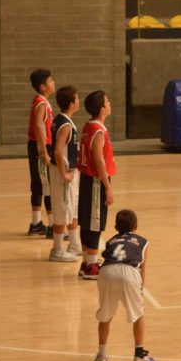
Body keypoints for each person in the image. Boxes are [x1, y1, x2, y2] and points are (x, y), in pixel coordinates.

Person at [92, 209, 153, 361]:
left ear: (116, 227)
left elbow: (107, 256)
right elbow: (143, 268)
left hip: (106, 272)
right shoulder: (143, 241)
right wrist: (140, 290)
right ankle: (139, 356)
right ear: (136, 226)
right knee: (138, 313)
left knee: (105, 314)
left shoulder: (111, 241)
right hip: (129, 272)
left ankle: (101, 356)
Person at [77, 91, 115, 281]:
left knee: (87, 221)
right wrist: (107, 186)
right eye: (108, 102)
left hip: (86, 178)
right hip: (95, 181)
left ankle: (86, 262)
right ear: (102, 109)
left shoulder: (87, 126)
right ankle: (91, 265)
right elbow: (98, 160)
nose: (110, 104)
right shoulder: (98, 130)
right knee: (94, 222)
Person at [48, 86, 83, 262]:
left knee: (72, 207)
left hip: (71, 171)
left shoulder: (63, 119)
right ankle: (57, 250)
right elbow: (57, 151)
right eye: (77, 99)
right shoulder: (65, 124)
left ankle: (75, 244)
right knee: (62, 210)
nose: (79, 101)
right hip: (63, 173)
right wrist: (63, 174)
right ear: (71, 103)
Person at [27, 69, 55, 237]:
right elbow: (38, 126)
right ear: (43, 86)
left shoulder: (40, 100)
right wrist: (44, 151)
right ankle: (52, 225)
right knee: (47, 185)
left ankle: (36, 223)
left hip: (36, 145)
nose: (54, 83)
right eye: (51, 81)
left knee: (39, 185)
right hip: (40, 146)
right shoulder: (41, 102)